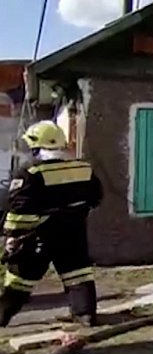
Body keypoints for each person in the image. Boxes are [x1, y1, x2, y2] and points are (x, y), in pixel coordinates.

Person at [0, 121, 103, 327]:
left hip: (38, 235)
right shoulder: (83, 168)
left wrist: (11, 236)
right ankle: (85, 315)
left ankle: (2, 316)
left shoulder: (31, 173)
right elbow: (95, 197)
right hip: (73, 231)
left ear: (37, 146)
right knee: (78, 273)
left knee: (20, 279)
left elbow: (20, 210)